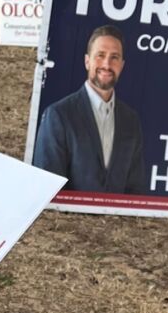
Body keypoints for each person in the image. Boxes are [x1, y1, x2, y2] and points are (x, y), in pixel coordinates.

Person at [33, 25, 145, 193]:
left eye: (114, 57)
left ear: (121, 65)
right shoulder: (58, 115)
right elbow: (45, 189)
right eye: (100, 55)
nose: (107, 64)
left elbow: (135, 189)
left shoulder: (131, 120)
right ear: (87, 61)